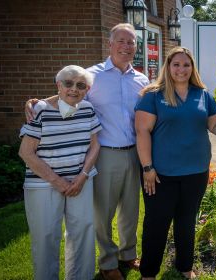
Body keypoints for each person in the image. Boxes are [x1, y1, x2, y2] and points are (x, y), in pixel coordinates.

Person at [25, 23, 149, 280]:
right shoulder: (92, 76)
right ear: (110, 44)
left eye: (131, 43)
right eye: (121, 41)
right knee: (102, 212)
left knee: (131, 208)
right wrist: (38, 102)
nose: (126, 47)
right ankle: (107, 262)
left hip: (134, 152)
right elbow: (71, 93)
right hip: (104, 152)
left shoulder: (142, 79)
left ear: (136, 48)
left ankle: (128, 253)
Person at [134, 46, 216, 280]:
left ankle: (185, 267)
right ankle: (148, 273)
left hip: (196, 172)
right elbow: (142, 131)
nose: (181, 69)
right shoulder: (153, 95)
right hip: (160, 174)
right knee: (157, 223)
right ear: (168, 66)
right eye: (176, 64)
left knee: (186, 222)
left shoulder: (202, 94)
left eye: (186, 65)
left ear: (192, 68)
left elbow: (215, 126)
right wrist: (147, 167)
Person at [18, 65, 101, 280]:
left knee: (83, 231)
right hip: (43, 184)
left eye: (81, 85)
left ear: (87, 89)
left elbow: (95, 145)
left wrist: (82, 176)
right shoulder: (40, 110)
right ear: (58, 85)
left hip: (80, 181)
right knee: (46, 237)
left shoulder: (87, 109)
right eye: (68, 83)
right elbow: (26, 153)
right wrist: (58, 182)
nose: (74, 89)